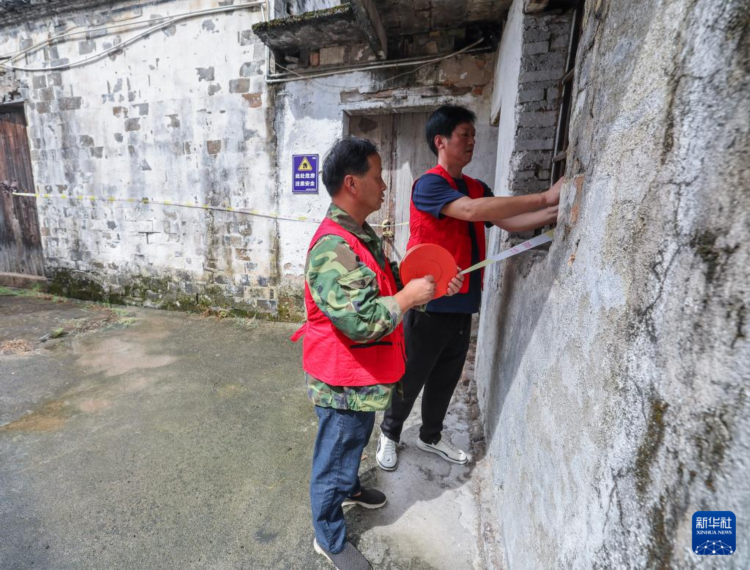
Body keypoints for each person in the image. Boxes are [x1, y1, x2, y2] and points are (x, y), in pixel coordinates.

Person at [291, 136, 463, 570]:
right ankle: (329, 537)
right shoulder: (334, 247)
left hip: (362, 376)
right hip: (341, 379)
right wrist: (409, 298)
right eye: (378, 176)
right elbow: (362, 321)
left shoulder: (360, 234)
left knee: (353, 439)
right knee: (335, 454)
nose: (385, 186)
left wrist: (433, 284)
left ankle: (348, 487)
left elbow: (389, 282)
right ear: (352, 183)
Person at [376, 105, 563, 470]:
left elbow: (508, 220)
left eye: (473, 136)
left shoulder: (476, 188)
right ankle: (390, 433)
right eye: (464, 134)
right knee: (411, 374)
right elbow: (472, 212)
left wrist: (554, 212)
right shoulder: (429, 184)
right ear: (440, 141)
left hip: (463, 302)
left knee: (446, 377)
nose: (472, 141)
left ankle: (431, 436)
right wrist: (545, 197)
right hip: (429, 300)